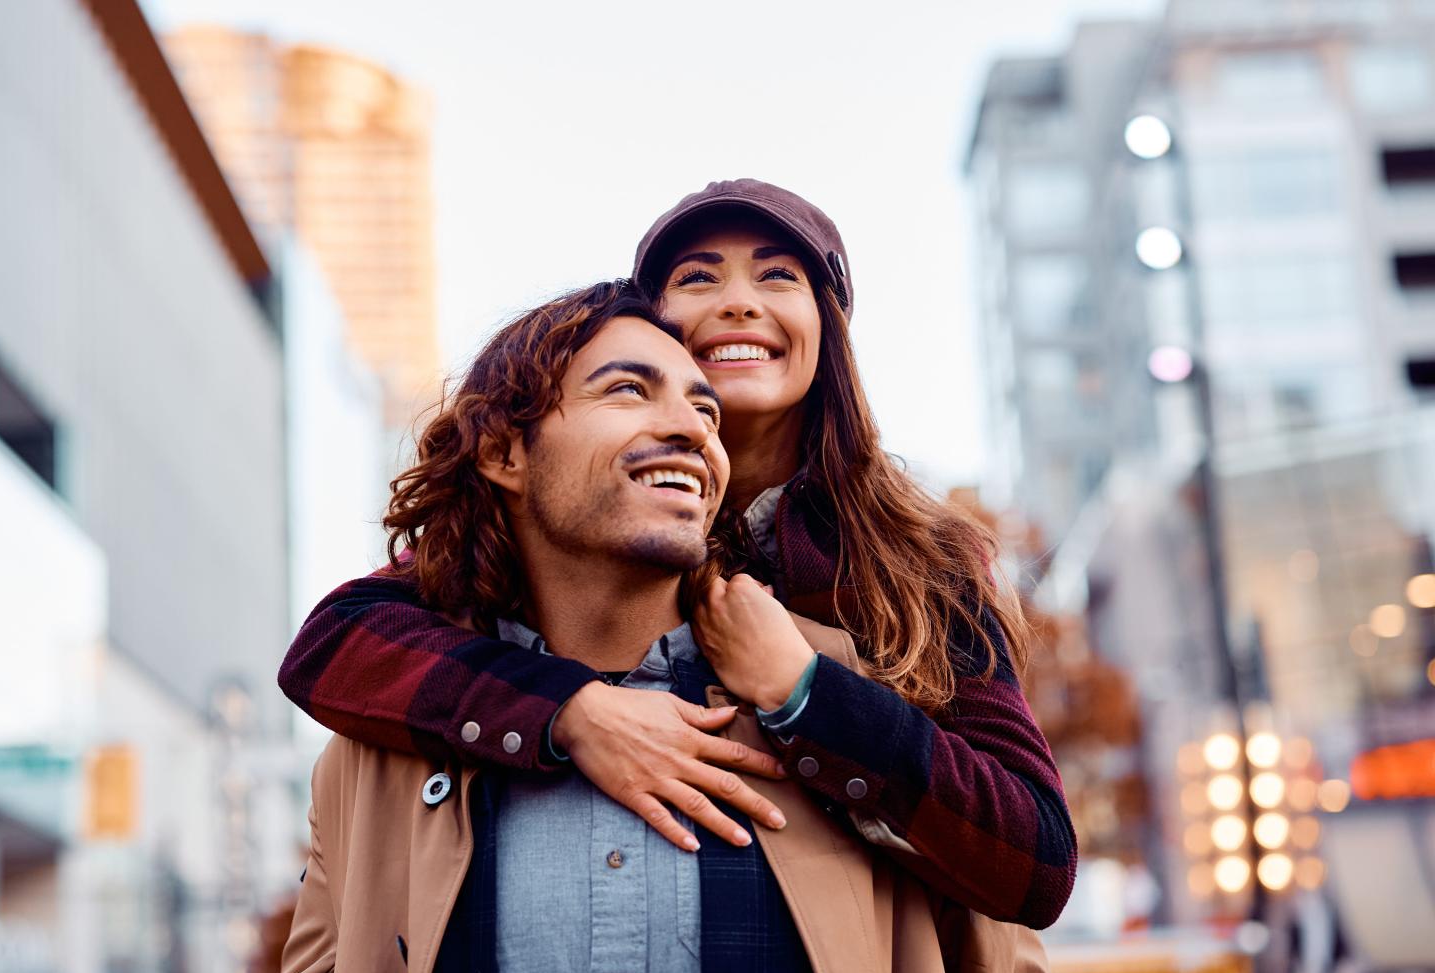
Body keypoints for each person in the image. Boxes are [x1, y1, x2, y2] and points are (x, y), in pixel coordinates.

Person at [235, 280, 1065, 973]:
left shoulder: (844, 700)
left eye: (706, 409)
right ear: (503, 451)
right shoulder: (379, 754)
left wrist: (812, 696)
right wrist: (567, 713)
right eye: (629, 391)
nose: (695, 431)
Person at [279, 179, 1076, 928]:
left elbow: (1034, 856)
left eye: (777, 277)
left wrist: (806, 691)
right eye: (698, 279)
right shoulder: (574, 529)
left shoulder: (921, 557)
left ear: (825, 325)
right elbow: (338, 642)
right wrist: (571, 710)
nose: (738, 303)